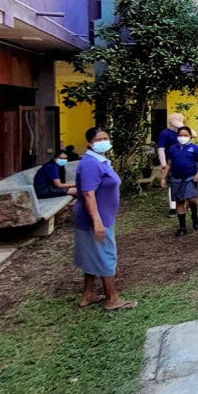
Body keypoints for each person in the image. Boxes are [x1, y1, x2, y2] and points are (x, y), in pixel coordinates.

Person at [73, 126, 136, 311]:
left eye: (105, 138)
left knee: (92, 254)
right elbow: (88, 194)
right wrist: (97, 221)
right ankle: (112, 299)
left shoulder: (100, 161)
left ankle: (88, 294)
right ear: (89, 143)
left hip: (102, 216)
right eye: (98, 140)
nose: (103, 142)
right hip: (96, 219)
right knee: (106, 255)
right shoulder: (91, 164)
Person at [161, 123, 198, 236]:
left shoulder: (194, 148)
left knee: (192, 200)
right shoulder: (172, 149)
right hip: (176, 178)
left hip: (190, 177)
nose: (182, 137)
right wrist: (163, 178)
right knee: (179, 201)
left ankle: (194, 216)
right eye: (180, 135)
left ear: (190, 136)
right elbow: (169, 164)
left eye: (185, 135)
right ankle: (182, 227)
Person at [156, 113, 185, 216]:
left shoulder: (182, 132)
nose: (180, 122)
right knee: (172, 184)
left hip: (184, 162)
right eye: (178, 120)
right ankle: (172, 208)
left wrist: (182, 126)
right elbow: (161, 149)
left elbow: (193, 134)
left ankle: (182, 204)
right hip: (170, 163)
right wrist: (163, 165)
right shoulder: (165, 133)